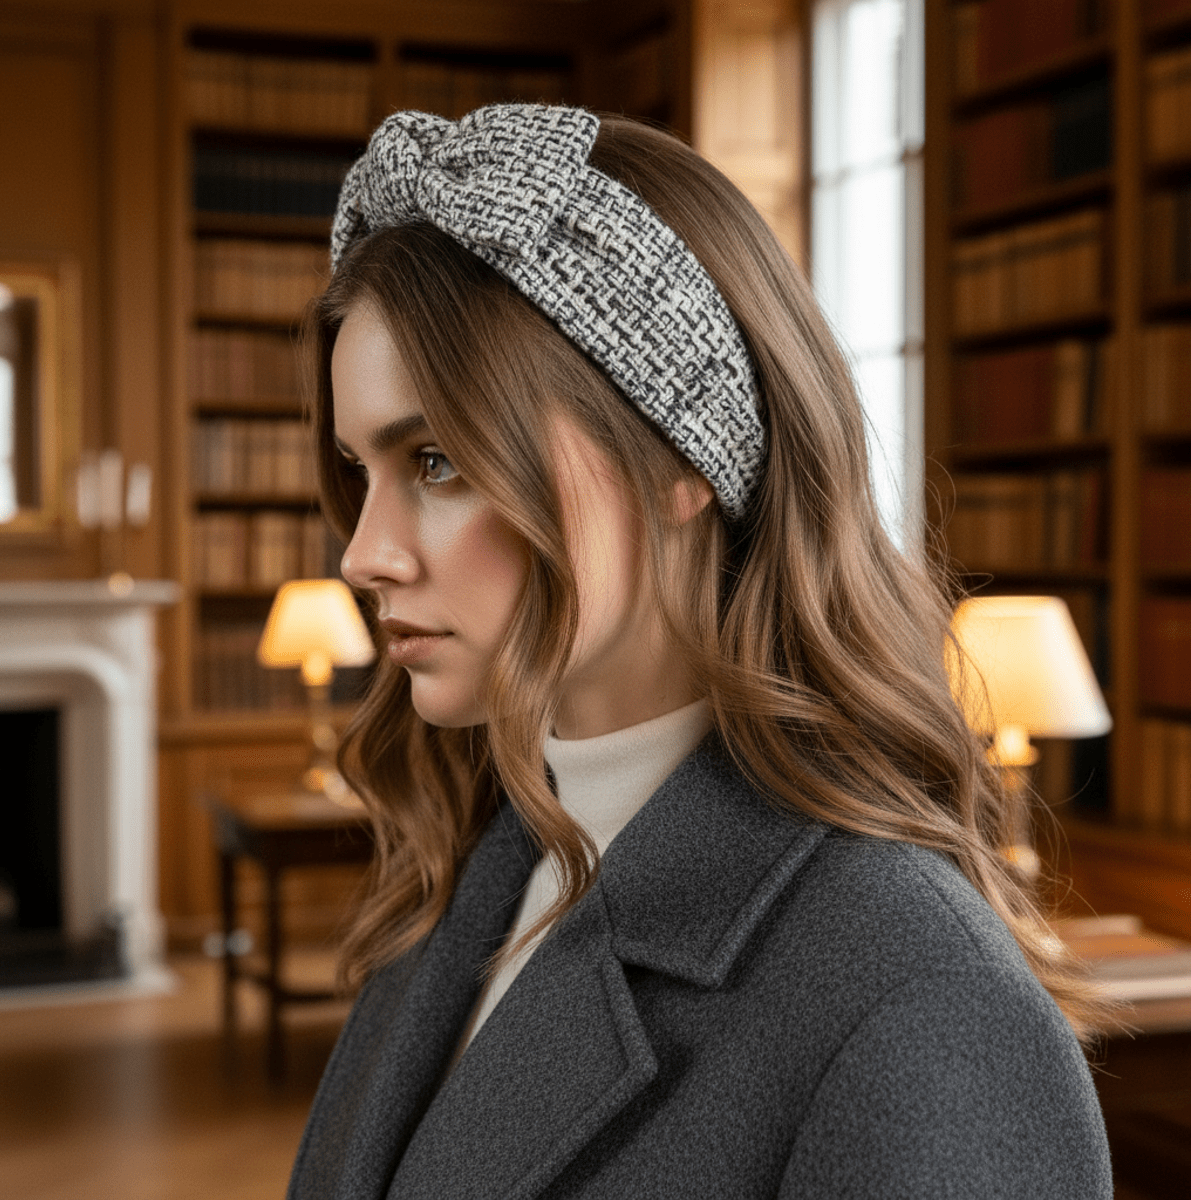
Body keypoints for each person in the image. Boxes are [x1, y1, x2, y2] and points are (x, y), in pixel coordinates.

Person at [287, 104, 1113, 1199]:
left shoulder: (921, 1002)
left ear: (679, 461)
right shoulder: (476, 861)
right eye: (361, 472)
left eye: (437, 460)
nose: (364, 553)